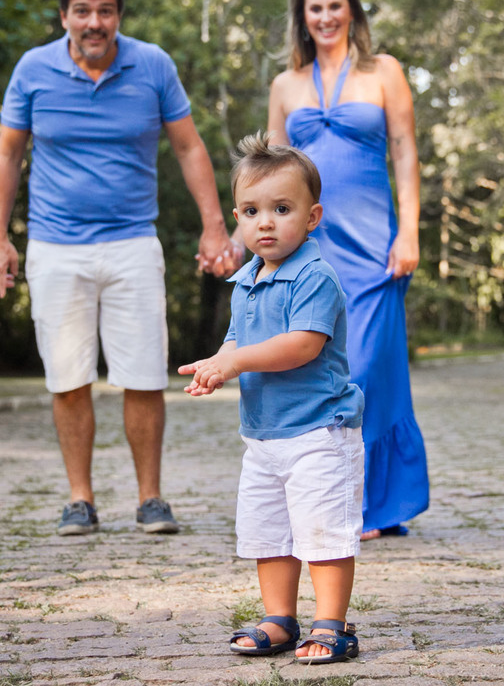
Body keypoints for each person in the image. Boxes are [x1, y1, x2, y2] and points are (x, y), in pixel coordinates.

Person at [0, 0, 239, 537]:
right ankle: (80, 499)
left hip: (131, 243)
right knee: (67, 377)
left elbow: (189, 148)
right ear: (64, 17)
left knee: (145, 375)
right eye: (83, 11)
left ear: (118, 17)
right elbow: (7, 155)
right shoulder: (33, 70)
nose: (94, 22)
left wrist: (213, 228)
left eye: (105, 10)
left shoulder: (152, 65)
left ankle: (151, 498)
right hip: (55, 246)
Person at [179, 133, 364, 664]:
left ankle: (333, 624)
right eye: (252, 211)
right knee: (269, 532)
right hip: (263, 435)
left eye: (281, 209)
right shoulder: (245, 282)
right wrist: (218, 363)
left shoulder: (315, 276)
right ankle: (279, 618)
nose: (265, 222)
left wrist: (236, 361)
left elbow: (301, 345)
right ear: (236, 217)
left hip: (319, 433)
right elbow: (240, 339)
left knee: (323, 531)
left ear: (311, 216)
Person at [265, 0, 429, 540]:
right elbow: (272, 177)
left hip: (373, 246)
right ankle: (323, 498)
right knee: (314, 370)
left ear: (352, 12)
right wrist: (255, 241)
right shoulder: (286, 84)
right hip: (311, 247)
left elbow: (406, 152)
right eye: (316, 9)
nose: (327, 17)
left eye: (336, 6)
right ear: (303, 19)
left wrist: (408, 231)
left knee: (370, 370)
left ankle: (375, 505)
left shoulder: (384, 72)